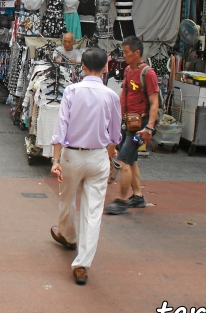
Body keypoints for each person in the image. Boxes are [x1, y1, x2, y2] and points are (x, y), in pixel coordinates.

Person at [50, 47, 122, 285]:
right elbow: (115, 134)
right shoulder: (111, 96)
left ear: (82, 67)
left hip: (72, 156)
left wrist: (55, 159)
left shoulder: (72, 91)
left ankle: (68, 236)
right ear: (106, 68)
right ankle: (82, 264)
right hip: (98, 157)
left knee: (66, 197)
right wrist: (110, 155)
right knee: (93, 211)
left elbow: (61, 126)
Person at [105, 36, 159, 215]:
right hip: (129, 123)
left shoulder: (148, 74)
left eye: (127, 52)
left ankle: (121, 201)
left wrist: (149, 127)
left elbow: (154, 102)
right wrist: (116, 117)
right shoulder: (128, 70)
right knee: (132, 159)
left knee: (124, 160)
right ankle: (137, 196)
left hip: (141, 126)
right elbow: (123, 95)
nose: (124, 55)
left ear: (137, 53)